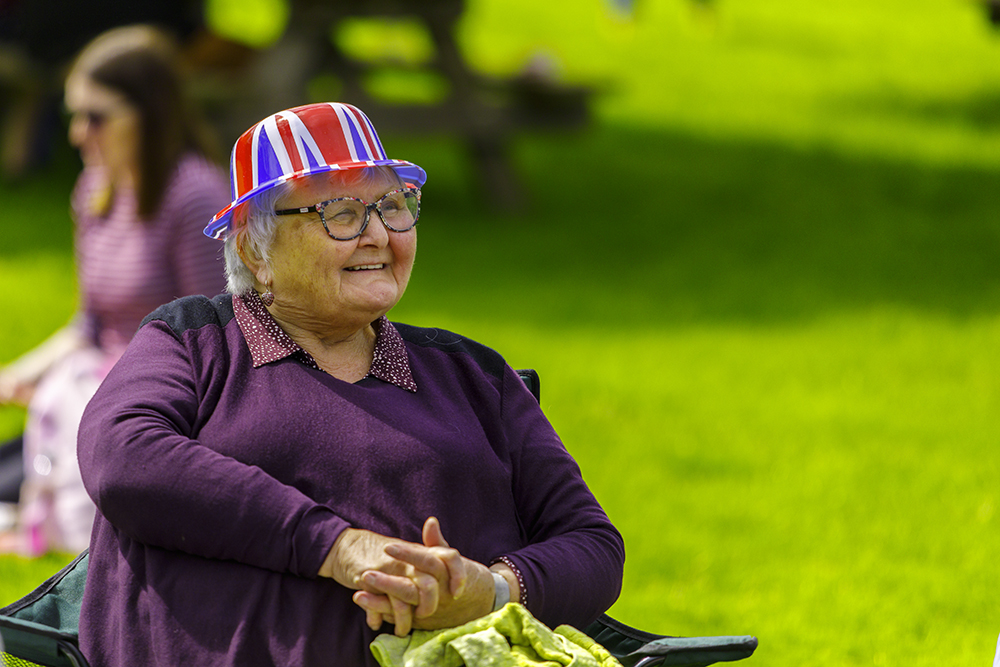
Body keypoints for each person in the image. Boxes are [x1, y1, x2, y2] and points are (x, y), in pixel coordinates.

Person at [76, 101, 625, 666]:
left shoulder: (473, 374)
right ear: (252, 249)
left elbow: (591, 544)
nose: (379, 235)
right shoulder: (194, 341)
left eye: (392, 206)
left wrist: (489, 591)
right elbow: (123, 457)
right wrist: (339, 548)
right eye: (340, 213)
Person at [0, 24, 229, 554]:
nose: (80, 133)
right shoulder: (95, 190)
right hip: (92, 388)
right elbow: (90, 325)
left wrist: (121, 393)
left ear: (150, 113)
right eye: (73, 115)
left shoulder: (194, 196)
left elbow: (217, 338)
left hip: (159, 405)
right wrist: (16, 376)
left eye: (96, 117)